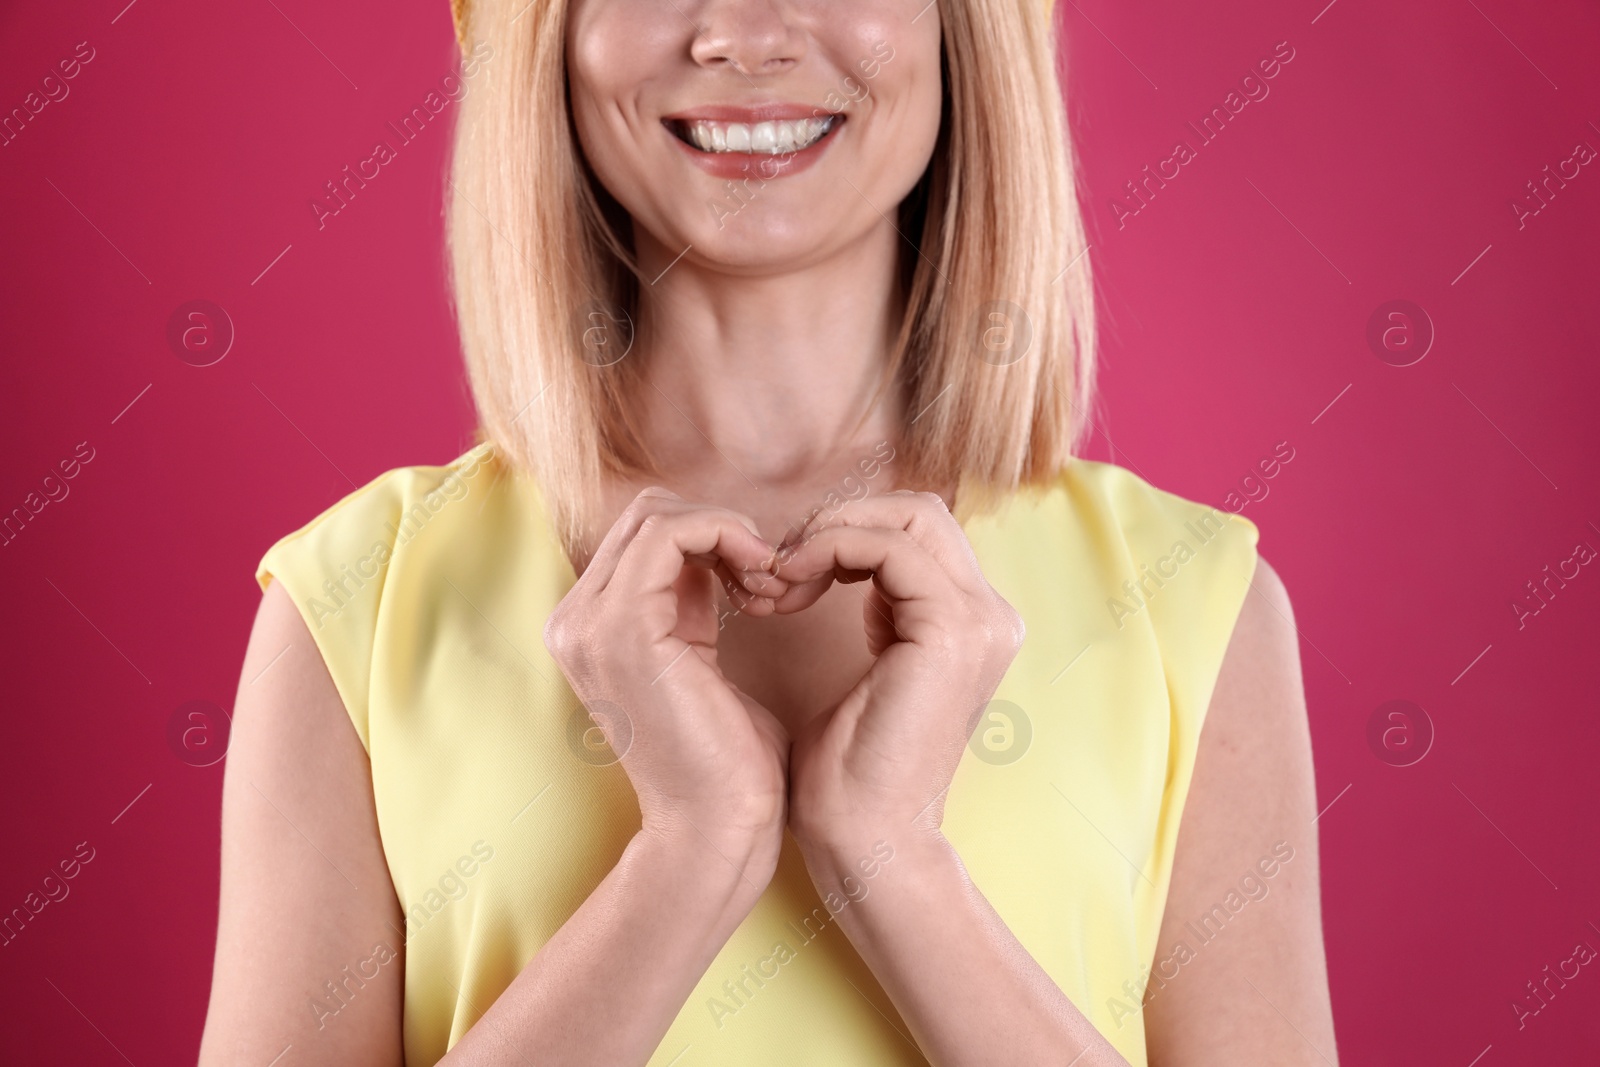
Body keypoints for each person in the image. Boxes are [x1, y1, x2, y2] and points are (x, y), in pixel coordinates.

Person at [199, 0, 1338, 1064]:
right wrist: (692, 853)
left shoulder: (1193, 603)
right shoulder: (359, 601)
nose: (746, 36)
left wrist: (890, 855)